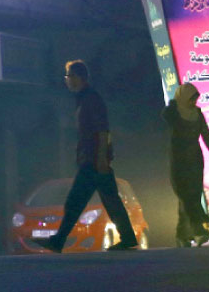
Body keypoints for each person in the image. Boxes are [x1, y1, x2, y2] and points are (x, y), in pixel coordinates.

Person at [35, 60, 138, 252]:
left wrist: (100, 159)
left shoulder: (91, 99)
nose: (66, 80)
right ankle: (128, 237)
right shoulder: (84, 99)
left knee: (76, 201)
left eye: (68, 76)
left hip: (93, 161)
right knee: (109, 200)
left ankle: (58, 240)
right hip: (93, 160)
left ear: (78, 77)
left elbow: (102, 130)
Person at [161, 83, 209, 247]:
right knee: (184, 195)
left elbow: (206, 134)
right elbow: (164, 122)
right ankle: (200, 231)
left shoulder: (197, 113)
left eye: (195, 99)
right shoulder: (173, 113)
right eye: (190, 99)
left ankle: (182, 236)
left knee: (192, 196)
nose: (193, 103)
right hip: (179, 159)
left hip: (194, 158)